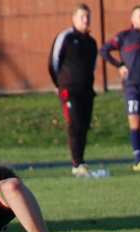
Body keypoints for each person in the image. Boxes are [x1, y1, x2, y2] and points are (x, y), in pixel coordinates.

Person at [100, 5, 140, 172]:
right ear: (132, 19)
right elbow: (104, 50)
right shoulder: (124, 37)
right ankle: (138, 159)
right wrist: (119, 65)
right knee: (134, 118)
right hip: (131, 85)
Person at [49, 3, 99, 178]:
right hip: (69, 89)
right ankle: (76, 164)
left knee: (84, 126)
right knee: (75, 124)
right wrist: (58, 84)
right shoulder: (66, 37)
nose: (85, 20)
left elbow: (93, 67)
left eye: (88, 17)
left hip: (86, 90)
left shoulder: (92, 42)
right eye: (82, 17)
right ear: (74, 19)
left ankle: (81, 161)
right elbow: (53, 62)